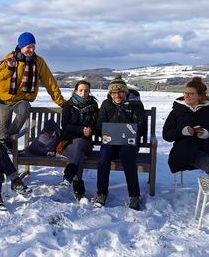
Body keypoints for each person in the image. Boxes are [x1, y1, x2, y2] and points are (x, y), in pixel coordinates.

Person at [0, 32, 65, 146]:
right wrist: (10, 68)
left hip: (21, 100)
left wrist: (61, 102)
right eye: (28, 47)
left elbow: (50, 82)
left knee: (24, 108)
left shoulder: (38, 62)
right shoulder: (10, 57)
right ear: (21, 47)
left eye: (33, 47)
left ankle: (8, 139)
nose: (31, 50)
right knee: (3, 131)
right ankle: (4, 158)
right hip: (4, 100)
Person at [93, 75, 146, 210]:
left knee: (127, 157)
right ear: (110, 93)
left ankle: (134, 196)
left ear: (125, 92)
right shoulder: (106, 104)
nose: (117, 95)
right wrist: (105, 133)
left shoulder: (135, 104)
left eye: (120, 92)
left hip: (128, 142)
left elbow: (142, 127)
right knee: (103, 158)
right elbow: (99, 125)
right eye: (114, 93)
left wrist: (129, 131)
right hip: (110, 142)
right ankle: (101, 193)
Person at [58, 80, 98, 202]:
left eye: (86, 90)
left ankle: (67, 178)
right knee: (78, 153)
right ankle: (79, 191)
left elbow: (97, 125)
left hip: (85, 143)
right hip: (67, 142)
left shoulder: (93, 106)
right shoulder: (68, 105)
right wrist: (81, 130)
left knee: (80, 144)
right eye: (81, 90)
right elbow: (65, 126)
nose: (83, 92)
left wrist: (91, 130)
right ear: (75, 91)